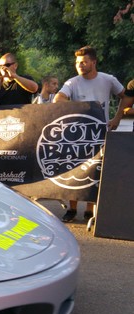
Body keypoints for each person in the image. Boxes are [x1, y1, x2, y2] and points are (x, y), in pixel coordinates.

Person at [53, 45, 125, 223]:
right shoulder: (72, 82)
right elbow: (59, 98)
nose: (80, 65)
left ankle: (90, 210)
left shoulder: (108, 80)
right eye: (78, 62)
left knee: (95, 171)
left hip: (101, 133)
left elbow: (126, 96)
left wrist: (117, 118)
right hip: (77, 135)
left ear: (94, 62)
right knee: (74, 169)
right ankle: (72, 209)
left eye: (84, 62)